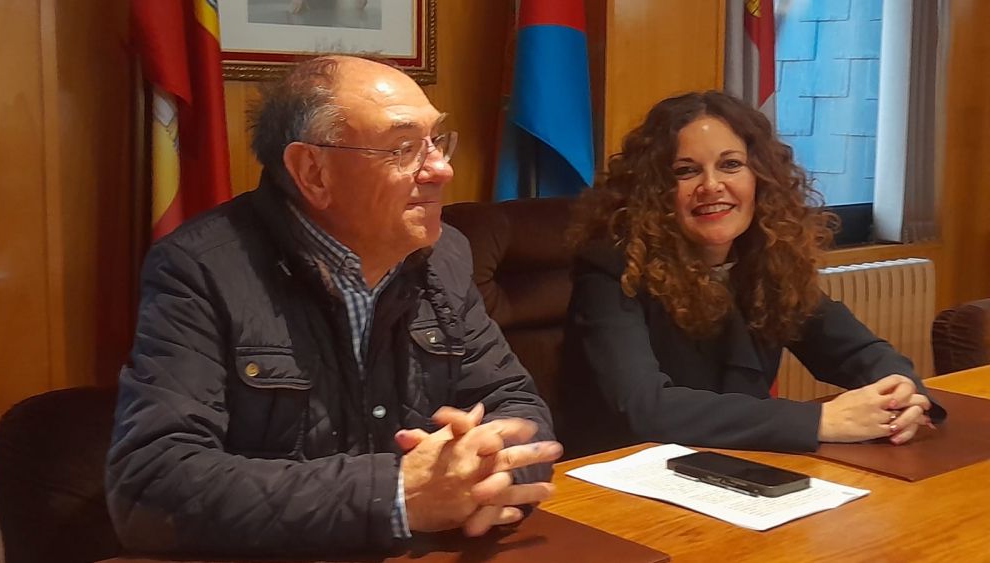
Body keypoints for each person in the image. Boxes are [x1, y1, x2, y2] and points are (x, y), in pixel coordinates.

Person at [106, 55, 561, 557]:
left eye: (436, 140)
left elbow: (516, 404)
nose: (441, 168)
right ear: (313, 172)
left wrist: (487, 471)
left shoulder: (443, 255)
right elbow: (151, 485)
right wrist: (397, 495)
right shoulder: (201, 269)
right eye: (404, 148)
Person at [565, 91, 945, 454]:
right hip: (624, 475)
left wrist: (901, 395)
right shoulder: (612, 270)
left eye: (730, 165)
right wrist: (820, 421)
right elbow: (646, 408)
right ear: (656, 191)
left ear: (760, 178)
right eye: (686, 171)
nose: (711, 186)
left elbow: (856, 351)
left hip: (739, 464)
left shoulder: (767, 260)